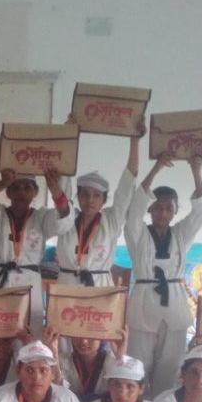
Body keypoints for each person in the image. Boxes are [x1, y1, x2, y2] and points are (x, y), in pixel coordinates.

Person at [124, 154, 202, 396]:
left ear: (175, 211)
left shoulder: (181, 234)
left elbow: (200, 212)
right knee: (138, 368)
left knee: (170, 370)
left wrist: (196, 171)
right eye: (158, 208)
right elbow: (134, 210)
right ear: (150, 209)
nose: (163, 213)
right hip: (143, 307)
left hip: (174, 307)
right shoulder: (137, 233)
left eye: (168, 208)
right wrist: (156, 168)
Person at [0, 169, 73, 330]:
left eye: (27, 187)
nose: (21, 192)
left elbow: (63, 219)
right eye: (15, 187)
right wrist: (3, 183)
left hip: (29, 284)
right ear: (8, 192)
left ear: (35, 192)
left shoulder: (42, 216)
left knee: (29, 335)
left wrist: (54, 188)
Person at [54, 123, 142, 287]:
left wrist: (134, 140)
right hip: (66, 287)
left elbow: (127, 184)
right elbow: (63, 183)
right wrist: (68, 135)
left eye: (96, 195)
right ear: (78, 197)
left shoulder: (111, 221)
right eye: (85, 195)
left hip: (99, 288)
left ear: (104, 200)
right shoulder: (67, 218)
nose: (90, 200)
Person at [45, 326, 127, 402]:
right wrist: (53, 352)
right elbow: (57, 392)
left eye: (90, 336)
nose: (84, 341)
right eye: (78, 334)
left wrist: (120, 357)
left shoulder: (113, 362)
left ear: (102, 338)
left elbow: (122, 395)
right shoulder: (62, 361)